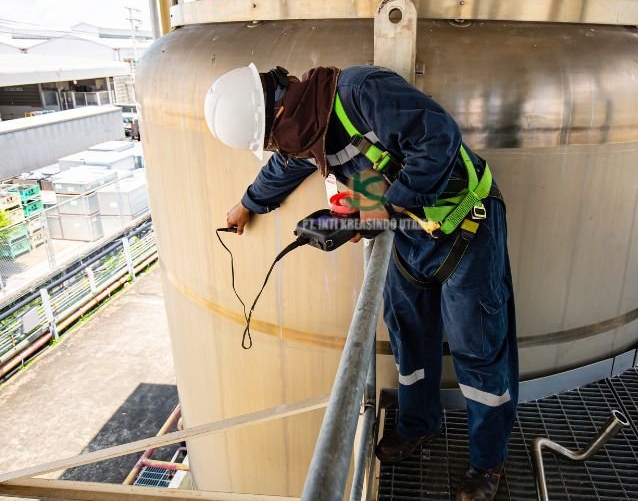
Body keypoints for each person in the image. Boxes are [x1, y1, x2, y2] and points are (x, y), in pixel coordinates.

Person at [204, 63, 518, 501]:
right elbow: (286, 168)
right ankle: (418, 425)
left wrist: (384, 210)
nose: (278, 149)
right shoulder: (308, 130)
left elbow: (439, 138)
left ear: (279, 114)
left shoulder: (360, 92)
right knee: (409, 334)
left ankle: (488, 461)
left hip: (466, 223)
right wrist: (248, 203)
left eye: (273, 140)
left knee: (477, 346)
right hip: (409, 234)